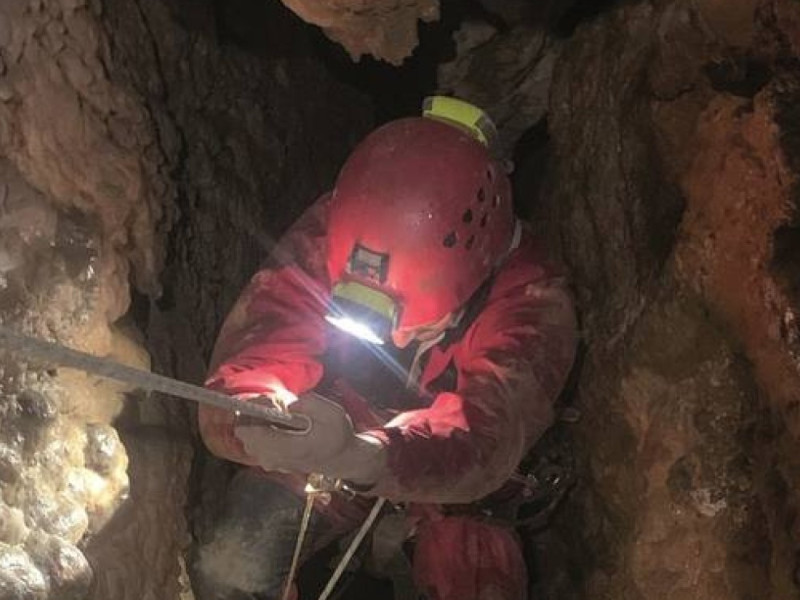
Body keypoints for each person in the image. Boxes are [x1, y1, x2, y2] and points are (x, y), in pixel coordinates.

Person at [192, 96, 578, 600]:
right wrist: (256, 414)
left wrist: (369, 456)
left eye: (415, 324)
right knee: (229, 572)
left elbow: (484, 442)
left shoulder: (532, 302)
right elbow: (258, 347)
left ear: (471, 276)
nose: (392, 340)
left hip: (452, 486)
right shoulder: (339, 230)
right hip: (335, 431)